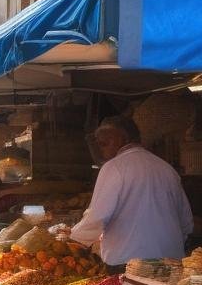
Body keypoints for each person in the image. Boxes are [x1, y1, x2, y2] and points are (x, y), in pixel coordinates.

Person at [69, 115, 193, 270]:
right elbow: (186, 222)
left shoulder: (114, 167)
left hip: (130, 262)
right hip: (171, 260)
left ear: (122, 139)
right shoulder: (166, 168)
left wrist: (74, 238)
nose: (101, 149)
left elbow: (98, 216)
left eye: (105, 143)